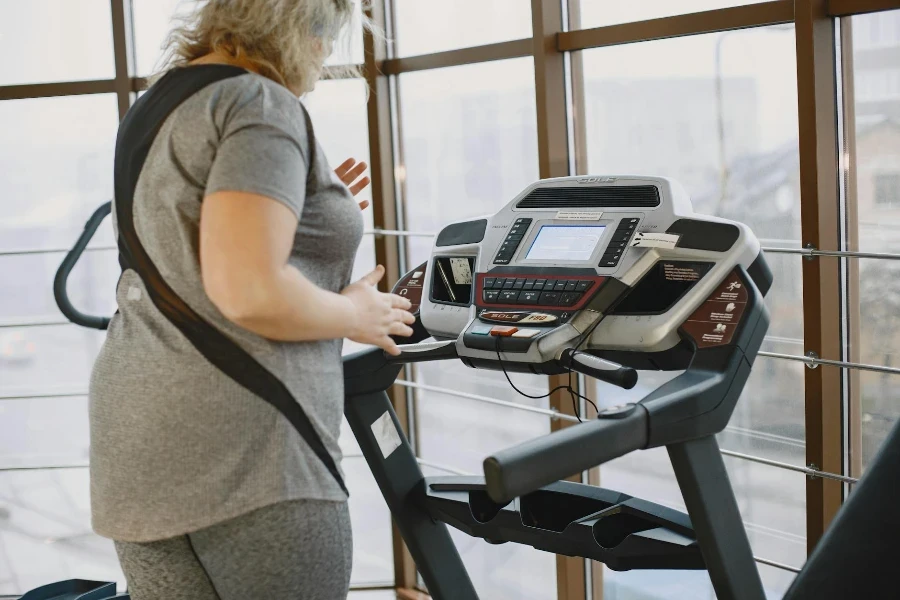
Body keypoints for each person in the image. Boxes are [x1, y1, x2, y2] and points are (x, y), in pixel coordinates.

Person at [88, 1, 414, 598]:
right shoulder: (259, 103)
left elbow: (193, 255)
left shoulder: (160, 103)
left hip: (134, 438)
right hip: (246, 445)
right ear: (296, 25)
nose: (325, 54)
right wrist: (355, 314)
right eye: (327, 34)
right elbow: (250, 290)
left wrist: (300, 206)